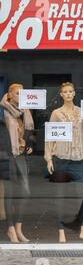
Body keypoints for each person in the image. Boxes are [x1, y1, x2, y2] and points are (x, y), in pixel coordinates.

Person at [44, 82, 83, 243]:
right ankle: (61, 231)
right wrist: (48, 158)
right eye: (65, 92)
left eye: (70, 91)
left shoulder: (82, 113)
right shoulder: (56, 113)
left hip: (77, 160)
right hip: (60, 159)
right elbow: (49, 136)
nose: (68, 94)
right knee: (60, 196)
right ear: (61, 94)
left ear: (74, 93)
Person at [1, 83, 34, 242]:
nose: (21, 97)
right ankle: (11, 229)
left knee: (25, 192)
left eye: (23, 94)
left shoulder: (24, 112)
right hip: (7, 156)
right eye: (18, 94)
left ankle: (19, 228)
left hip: (21, 156)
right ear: (10, 95)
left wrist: (29, 146)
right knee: (10, 193)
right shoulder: (3, 111)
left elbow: (29, 133)